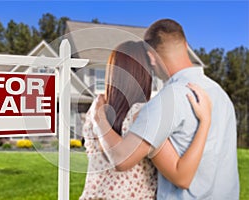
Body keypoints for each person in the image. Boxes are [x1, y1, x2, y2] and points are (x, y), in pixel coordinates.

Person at [91, 19, 239, 199]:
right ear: (185, 44)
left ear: (151, 57)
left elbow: (122, 159)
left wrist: (99, 120)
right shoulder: (220, 94)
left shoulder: (166, 101)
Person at [80, 41, 212, 200]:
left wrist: (99, 120)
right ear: (145, 75)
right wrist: (205, 121)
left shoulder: (95, 111)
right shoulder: (143, 115)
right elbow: (181, 176)